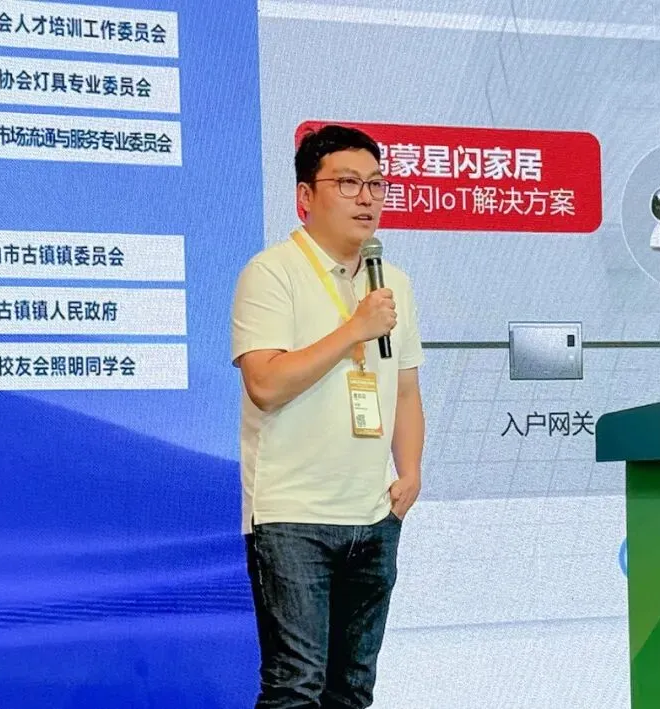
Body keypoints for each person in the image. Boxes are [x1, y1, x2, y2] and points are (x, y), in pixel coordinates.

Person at [230, 124, 425, 708]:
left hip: (373, 514)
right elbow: (265, 384)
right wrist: (354, 329)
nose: (366, 198)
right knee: (295, 686)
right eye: (348, 183)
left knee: (352, 690)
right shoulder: (272, 272)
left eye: (376, 184)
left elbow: (405, 389)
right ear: (305, 196)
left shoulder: (392, 283)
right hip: (293, 516)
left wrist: (410, 473)